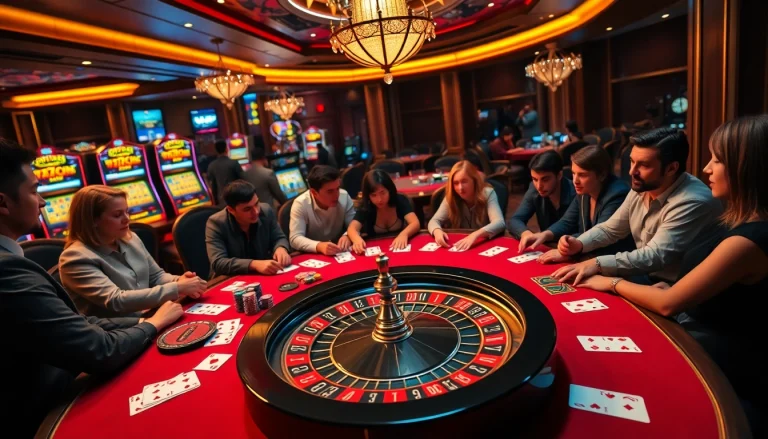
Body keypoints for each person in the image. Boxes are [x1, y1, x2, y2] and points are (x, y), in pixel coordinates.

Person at [575, 115, 768, 434]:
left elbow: (668, 302)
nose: (706, 168)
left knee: (613, 374)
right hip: (690, 316)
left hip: (721, 357)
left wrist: (608, 281)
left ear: (746, 167)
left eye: (717, 160)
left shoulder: (748, 239)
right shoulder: (735, 218)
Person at [0, 139, 183, 437]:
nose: (43, 202)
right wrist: (153, 324)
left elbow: (80, 322)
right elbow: (99, 351)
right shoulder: (8, 271)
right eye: (34, 191)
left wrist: (146, 319)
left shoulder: (13, 262)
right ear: (3, 203)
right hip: (45, 416)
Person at [552, 127, 723, 285]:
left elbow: (654, 256)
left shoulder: (692, 201)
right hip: (648, 276)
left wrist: (596, 263)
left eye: (644, 165)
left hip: (679, 288)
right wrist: (578, 244)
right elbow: (611, 229)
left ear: (671, 168)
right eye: (632, 162)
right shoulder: (644, 185)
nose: (632, 171)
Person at [59, 186, 207, 318]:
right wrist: (177, 288)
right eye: (117, 215)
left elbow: (156, 276)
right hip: (116, 332)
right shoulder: (75, 258)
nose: (127, 219)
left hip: (153, 316)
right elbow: (116, 300)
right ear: (92, 220)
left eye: (127, 212)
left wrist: (181, 281)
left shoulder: (130, 238)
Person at [520, 145, 634, 261]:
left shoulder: (617, 194)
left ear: (602, 175)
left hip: (616, 261)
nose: (575, 181)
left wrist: (568, 252)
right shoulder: (585, 190)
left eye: (582, 175)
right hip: (592, 256)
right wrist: (545, 234)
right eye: (574, 173)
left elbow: (601, 238)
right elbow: (567, 221)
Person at [206, 180, 291, 277]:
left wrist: (281, 248)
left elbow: (279, 237)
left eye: (256, 204)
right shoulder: (216, 223)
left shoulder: (266, 210)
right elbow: (218, 262)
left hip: (262, 274)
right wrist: (254, 264)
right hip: (230, 278)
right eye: (247, 209)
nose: (256, 211)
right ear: (231, 210)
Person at [428, 160, 505, 251]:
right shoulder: (451, 197)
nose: (460, 188)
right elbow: (434, 221)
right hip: (461, 244)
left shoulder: (488, 194)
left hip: (485, 244)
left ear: (474, 180)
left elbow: (499, 223)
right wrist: (436, 231)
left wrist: (474, 235)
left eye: (464, 181)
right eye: (456, 183)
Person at [508, 150, 576, 241]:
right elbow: (515, 220)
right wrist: (525, 233)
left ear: (559, 175)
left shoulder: (576, 192)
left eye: (545, 179)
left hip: (573, 245)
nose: (539, 186)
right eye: (535, 179)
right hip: (548, 244)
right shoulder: (534, 189)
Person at [347, 169, 420, 254]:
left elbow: (415, 223)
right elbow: (352, 229)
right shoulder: (366, 206)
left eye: (382, 193)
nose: (379, 199)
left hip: (399, 248)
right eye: (373, 195)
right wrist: (357, 240)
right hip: (377, 252)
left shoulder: (400, 199)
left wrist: (404, 234)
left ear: (389, 190)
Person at [290, 165, 356, 255]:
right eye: (330, 191)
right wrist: (318, 246)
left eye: (337, 189)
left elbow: (355, 225)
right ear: (314, 192)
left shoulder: (344, 196)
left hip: (339, 250)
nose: (336, 195)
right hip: (313, 254)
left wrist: (348, 235)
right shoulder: (300, 204)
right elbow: (295, 238)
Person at [206, 139, 244, 205]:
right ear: (226, 149)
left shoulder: (211, 165)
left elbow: (213, 186)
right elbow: (242, 181)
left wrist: (215, 202)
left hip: (221, 199)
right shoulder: (234, 163)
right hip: (236, 197)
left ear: (216, 151)